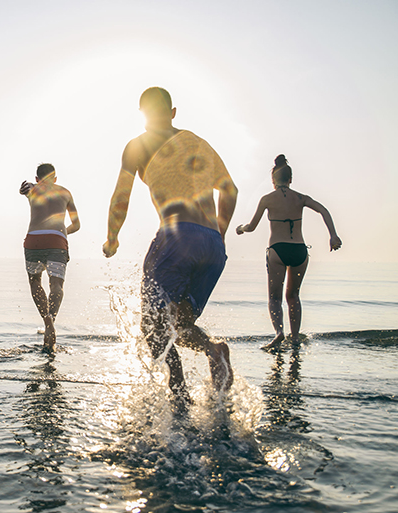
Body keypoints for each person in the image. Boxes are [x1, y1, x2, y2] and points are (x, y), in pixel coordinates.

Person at [103, 87, 238, 401]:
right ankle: (214, 350)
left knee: (152, 327)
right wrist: (218, 236)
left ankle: (179, 398)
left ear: (143, 115)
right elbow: (230, 191)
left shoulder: (137, 146)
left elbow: (121, 197)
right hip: (214, 248)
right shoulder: (198, 142)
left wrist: (112, 237)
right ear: (173, 112)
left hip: (176, 238)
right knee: (179, 324)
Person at [235, 154, 341, 350]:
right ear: (290, 179)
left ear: (273, 179)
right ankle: (294, 338)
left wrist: (240, 228)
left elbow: (252, 226)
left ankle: (279, 333)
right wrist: (333, 236)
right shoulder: (301, 198)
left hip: (278, 250)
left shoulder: (267, 199)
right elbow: (324, 210)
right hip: (299, 251)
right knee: (293, 296)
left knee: (274, 298)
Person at [20, 163, 80, 352]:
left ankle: (46, 320)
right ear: (55, 178)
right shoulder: (66, 192)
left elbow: (26, 188)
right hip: (57, 241)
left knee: (35, 282)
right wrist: (61, 233)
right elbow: (76, 224)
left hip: (33, 241)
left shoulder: (33, 189)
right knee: (56, 285)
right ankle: (51, 321)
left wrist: (27, 188)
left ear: (38, 179)